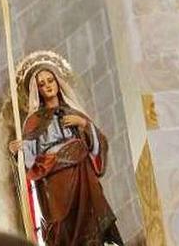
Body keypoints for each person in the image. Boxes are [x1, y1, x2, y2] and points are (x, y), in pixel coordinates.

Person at [8, 68, 124, 246]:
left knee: (90, 219)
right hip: (55, 181)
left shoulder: (74, 113)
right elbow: (30, 160)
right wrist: (19, 149)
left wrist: (84, 124)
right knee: (62, 226)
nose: (48, 85)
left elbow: (99, 145)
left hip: (82, 174)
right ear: (37, 91)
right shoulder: (34, 121)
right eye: (42, 84)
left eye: (50, 80)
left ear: (57, 82)